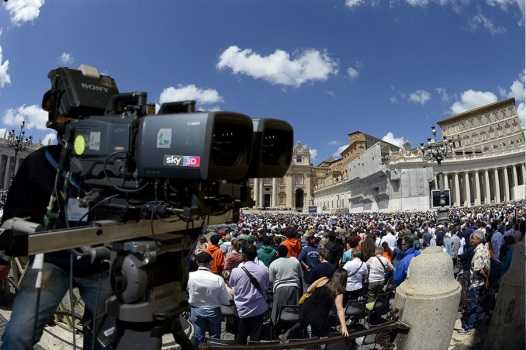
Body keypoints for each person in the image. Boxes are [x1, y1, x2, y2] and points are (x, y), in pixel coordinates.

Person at [0, 90, 114, 350]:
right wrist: (5, 257)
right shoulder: (40, 161)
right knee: (17, 334)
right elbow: (12, 219)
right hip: (50, 262)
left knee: (105, 341)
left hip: (100, 265)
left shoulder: (114, 169)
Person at [279, 268, 349, 340]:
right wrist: (344, 326)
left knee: (304, 322)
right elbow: (340, 309)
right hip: (320, 315)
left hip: (306, 307)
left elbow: (309, 289)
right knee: (322, 335)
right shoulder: (338, 291)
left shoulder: (324, 280)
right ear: (344, 280)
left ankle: (287, 334)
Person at [187, 252, 232, 345]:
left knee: (198, 336)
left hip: (196, 310)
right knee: (215, 338)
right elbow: (225, 300)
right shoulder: (218, 278)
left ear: (197, 262)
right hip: (213, 311)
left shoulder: (189, 276)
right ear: (210, 262)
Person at [229, 244, 270, 344]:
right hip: (258, 308)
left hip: (242, 309)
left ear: (244, 255)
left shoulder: (235, 271)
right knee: (255, 338)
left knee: (240, 337)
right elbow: (265, 287)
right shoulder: (264, 270)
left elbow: (232, 285)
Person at [461, 229, 490, 333]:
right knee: (477, 303)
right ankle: (477, 320)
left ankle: (468, 326)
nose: (471, 240)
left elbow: (479, 270)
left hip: (476, 283)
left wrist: (487, 279)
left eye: (473, 238)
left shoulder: (478, 252)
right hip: (480, 282)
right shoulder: (484, 248)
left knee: (472, 305)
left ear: (478, 239)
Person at [269, 245, 303, 325]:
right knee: (293, 310)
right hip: (294, 288)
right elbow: (300, 275)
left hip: (279, 289)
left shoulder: (273, 263)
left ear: (277, 253)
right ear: (287, 252)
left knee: (278, 310)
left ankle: (275, 325)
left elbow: (271, 280)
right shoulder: (295, 260)